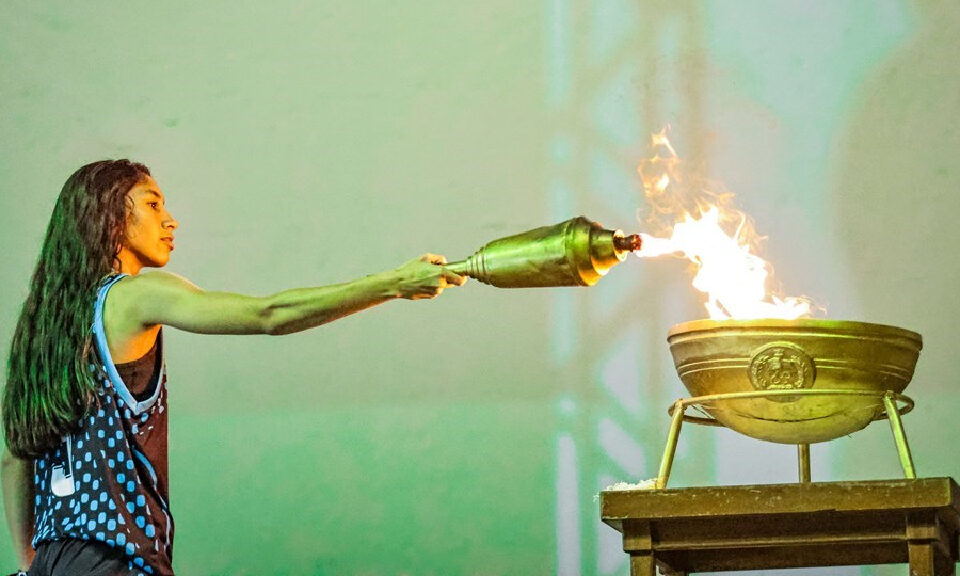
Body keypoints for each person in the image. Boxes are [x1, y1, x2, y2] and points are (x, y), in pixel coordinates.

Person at [1, 160, 466, 575]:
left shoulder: (43, 332)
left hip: (51, 563)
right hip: (115, 563)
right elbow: (269, 314)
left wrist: (30, 563)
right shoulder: (134, 296)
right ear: (110, 216)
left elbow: (13, 457)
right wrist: (394, 283)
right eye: (153, 203)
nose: (170, 219)